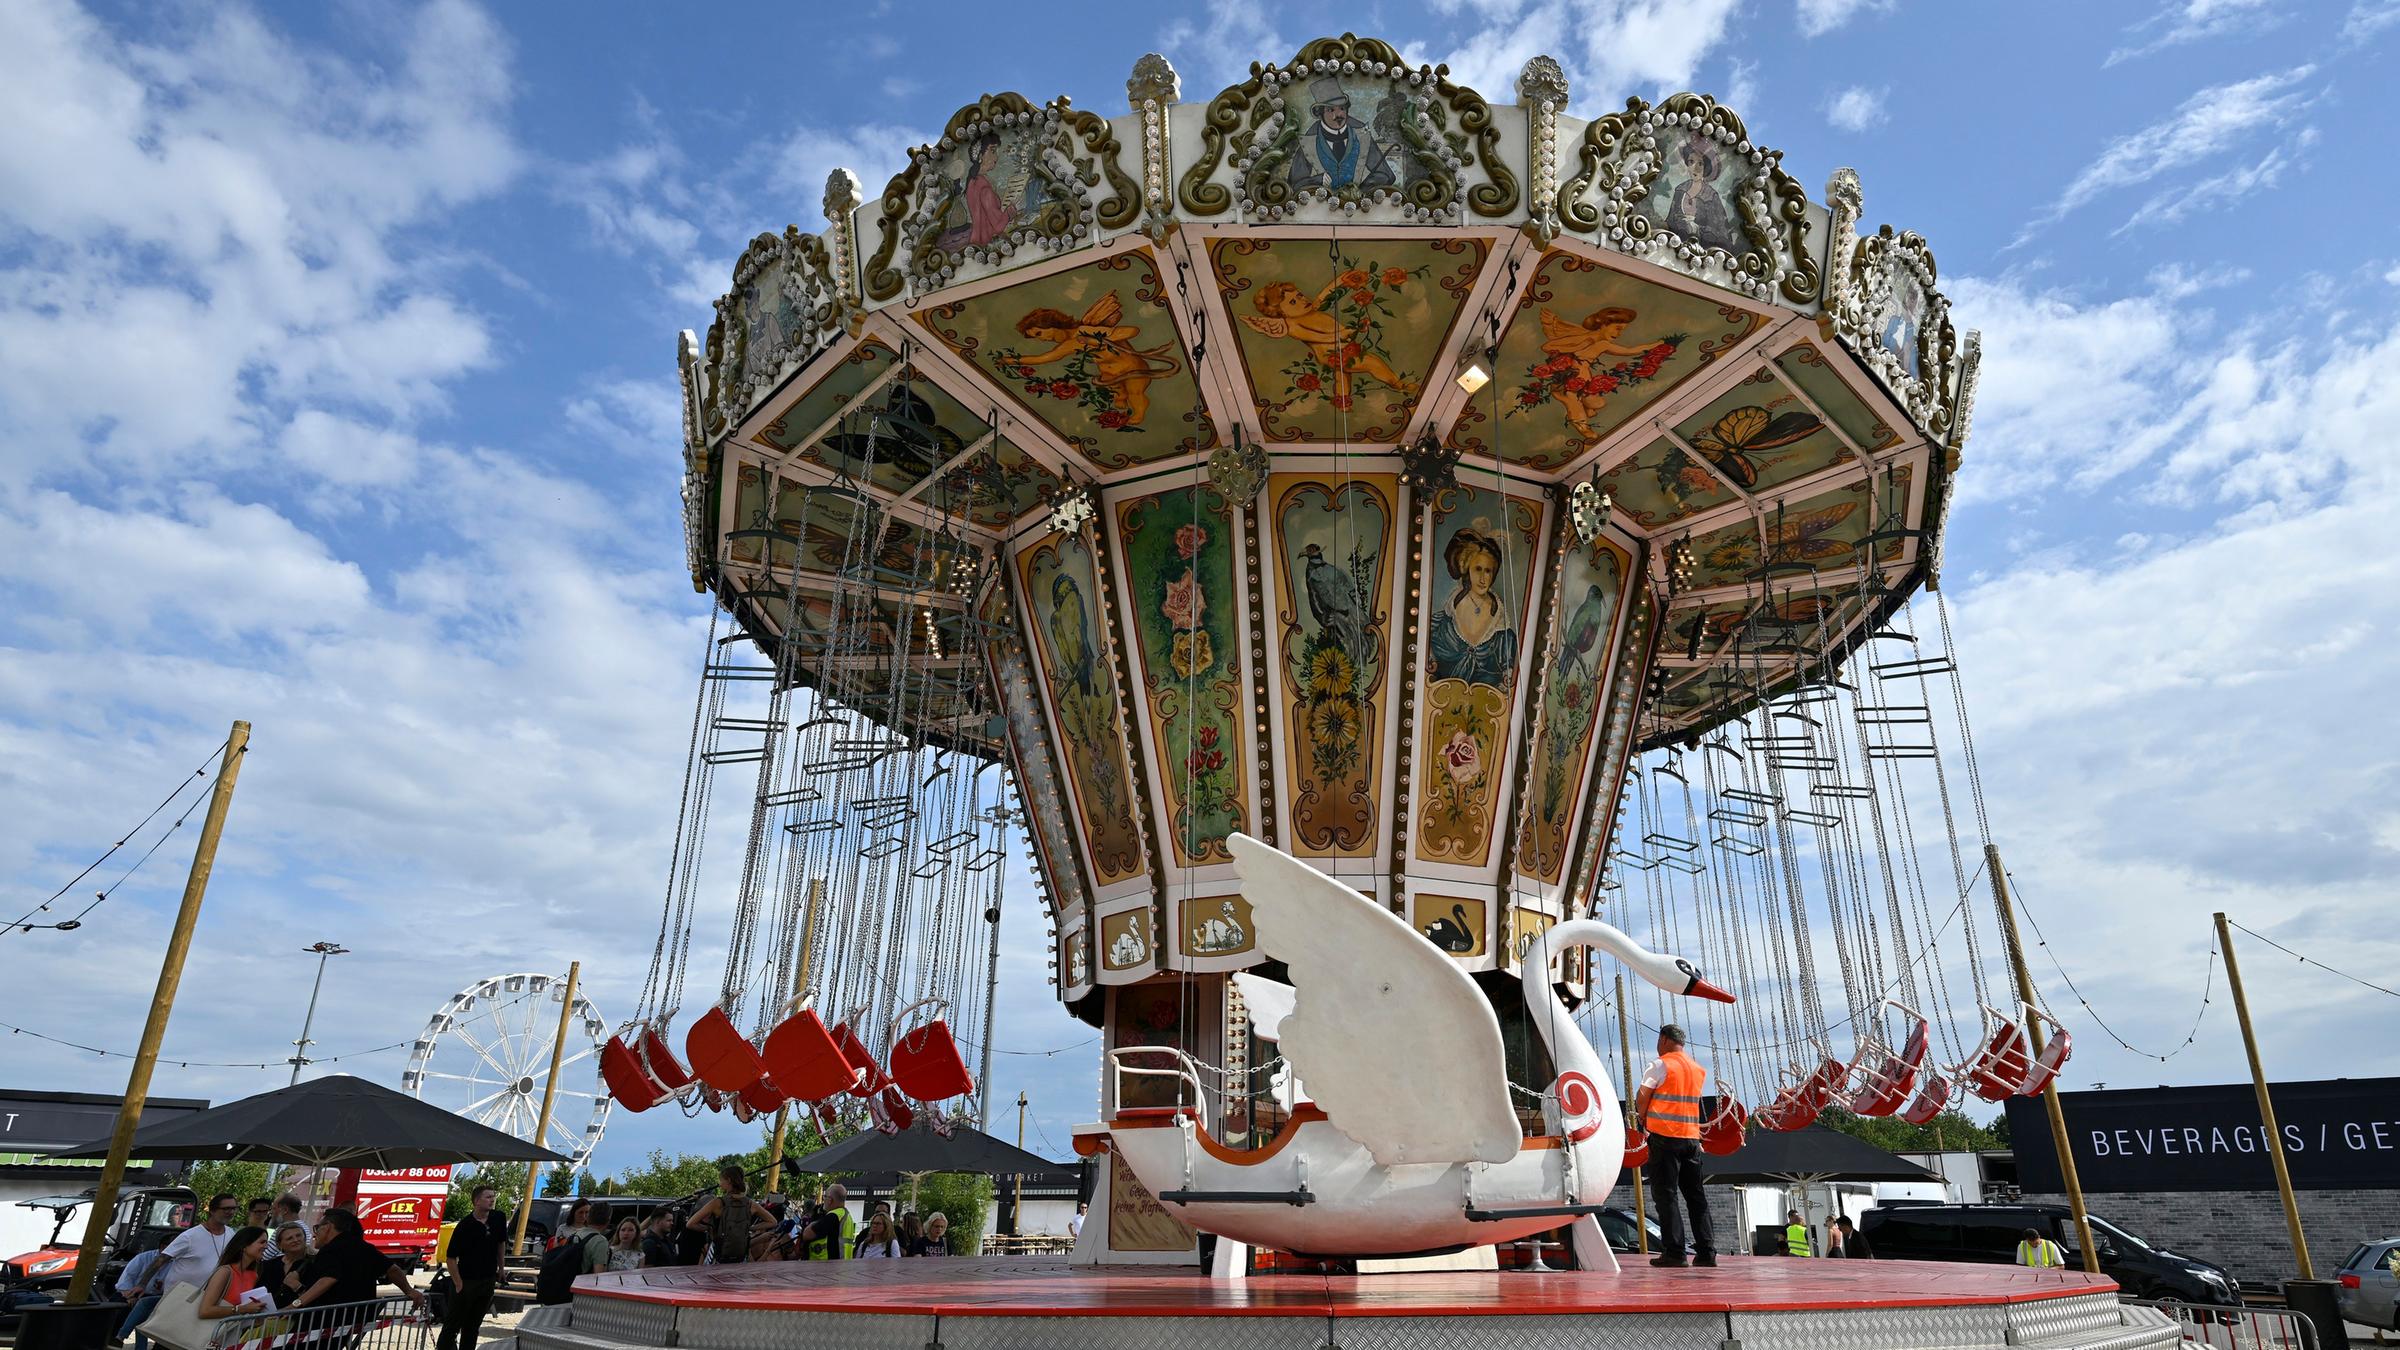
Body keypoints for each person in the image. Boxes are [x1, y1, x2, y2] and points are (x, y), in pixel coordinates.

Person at [1633, 1025, 1715, 1268]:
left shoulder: (1660, 1064)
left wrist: (1643, 1118)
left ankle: (1675, 1252)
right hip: (1691, 1138)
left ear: (1665, 1039)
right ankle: (1707, 1253)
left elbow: (1642, 1096)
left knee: (1666, 1196)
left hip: (1665, 1137)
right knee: (1696, 1197)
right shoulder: (1697, 1069)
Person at [289, 1208, 426, 1315]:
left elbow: (328, 1278)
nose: (315, 1233)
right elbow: (392, 1269)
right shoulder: (365, 1247)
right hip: (359, 1316)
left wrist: (295, 1304)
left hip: (326, 1318)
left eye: (317, 1228)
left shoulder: (330, 1250)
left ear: (328, 1226)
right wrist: (409, 1291)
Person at [1426, 528, 1518, 685]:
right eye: (1478, 569)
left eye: (1488, 571)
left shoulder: (1503, 633)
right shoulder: (1440, 624)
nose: (1483, 578)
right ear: (1466, 568)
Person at [1287, 77, 1395, 192]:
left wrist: (1360, 190)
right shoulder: (1308, 142)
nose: (1338, 115)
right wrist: (1317, 181)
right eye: (1330, 110)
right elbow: (1294, 184)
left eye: (1342, 108)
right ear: (1320, 113)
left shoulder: (1363, 136)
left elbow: (1386, 174)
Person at [438, 1184, 507, 1350]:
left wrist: (501, 1268)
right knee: (453, 1324)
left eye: (493, 1196)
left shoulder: (498, 1217)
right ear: (476, 1201)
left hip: (488, 1278)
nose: (492, 1200)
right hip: (467, 1279)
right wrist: (458, 1283)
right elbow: (451, 1258)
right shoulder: (465, 1226)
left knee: (473, 1324)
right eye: (488, 1197)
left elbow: (501, 1243)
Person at [154, 1194, 239, 1295]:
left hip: (207, 1296)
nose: (231, 1212)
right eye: (226, 1209)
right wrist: (141, 1285)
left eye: (234, 1208)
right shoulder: (190, 1236)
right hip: (178, 1296)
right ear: (212, 1211)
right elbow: (161, 1259)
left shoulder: (231, 1234)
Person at [196, 1227, 273, 1322]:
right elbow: (205, 1311)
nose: (266, 1246)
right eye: (262, 1242)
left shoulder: (253, 1275)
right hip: (212, 1332)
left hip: (232, 1332)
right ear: (244, 1246)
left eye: (266, 1242)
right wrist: (243, 1309)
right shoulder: (225, 1272)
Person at [685, 1167, 756, 1266]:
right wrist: (749, 1227)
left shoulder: (718, 1202)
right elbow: (772, 1221)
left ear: (729, 1180)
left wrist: (709, 1228)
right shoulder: (749, 1203)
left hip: (718, 1255)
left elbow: (690, 1224)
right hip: (740, 1257)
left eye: (721, 1180)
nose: (720, 1183)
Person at [111, 1243, 170, 1350]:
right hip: (132, 1292)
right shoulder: (143, 1258)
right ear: (163, 1247)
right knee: (128, 1310)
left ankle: (121, 1337)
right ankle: (118, 1338)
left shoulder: (176, 1262)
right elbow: (126, 1279)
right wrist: (130, 1296)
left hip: (156, 1296)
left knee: (144, 1310)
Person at [258, 1223, 312, 1310]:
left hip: (298, 1317)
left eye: (298, 1236)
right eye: (289, 1238)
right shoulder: (268, 1265)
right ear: (279, 1245)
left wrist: (297, 1286)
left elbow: (316, 1298)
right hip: (269, 1316)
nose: (295, 1240)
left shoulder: (313, 1263)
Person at [797, 1184, 854, 1261]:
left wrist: (814, 1222)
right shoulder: (846, 1215)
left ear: (830, 1200)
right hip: (843, 1264)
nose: (824, 1200)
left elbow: (807, 1234)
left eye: (825, 1197)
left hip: (830, 1267)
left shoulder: (833, 1216)